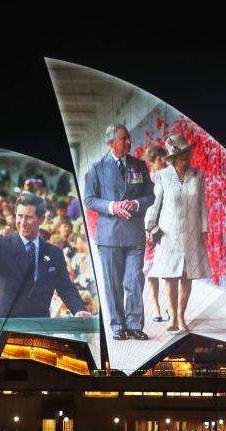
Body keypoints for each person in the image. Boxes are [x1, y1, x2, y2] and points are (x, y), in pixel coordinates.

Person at [0, 192, 92, 319]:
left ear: (41, 219)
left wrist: (79, 310)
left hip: (39, 327)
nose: (23, 222)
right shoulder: (2, 245)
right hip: (5, 324)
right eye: (20, 216)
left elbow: (66, 287)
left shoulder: (54, 253)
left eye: (29, 217)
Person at [83, 124, 154, 340]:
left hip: (134, 234)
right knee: (113, 283)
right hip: (109, 236)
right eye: (123, 139)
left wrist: (135, 202)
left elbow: (150, 196)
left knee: (134, 280)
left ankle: (134, 324)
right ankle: (117, 325)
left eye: (129, 138)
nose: (129, 142)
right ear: (111, 142)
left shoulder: (139, 165)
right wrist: (112, 206)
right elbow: (89, 199)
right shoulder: (97, 168)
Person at [144, 134, 212, 332]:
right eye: (181, 153)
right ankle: (172, 317)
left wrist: (204, 230)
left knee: (187, 276)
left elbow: (202, 205)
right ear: (173, 157)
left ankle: (181, 317)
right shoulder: (163, 176)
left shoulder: (198, 175)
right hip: (168, 233)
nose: (186, 156)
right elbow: (155, 204)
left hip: (191, 232)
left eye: (186, 152)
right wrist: (149, 226)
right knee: (169, 276)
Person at [142, 144, 169, 322]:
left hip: (166, 228)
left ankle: (169, 307)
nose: (164, 162)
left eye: (164, 158)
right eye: (160, 159)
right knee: (151, 271)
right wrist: (146, 228)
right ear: (152, 162)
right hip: (148, 229)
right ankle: (157, 309)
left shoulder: (168, 178)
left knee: (168, 269)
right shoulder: (147, 181)